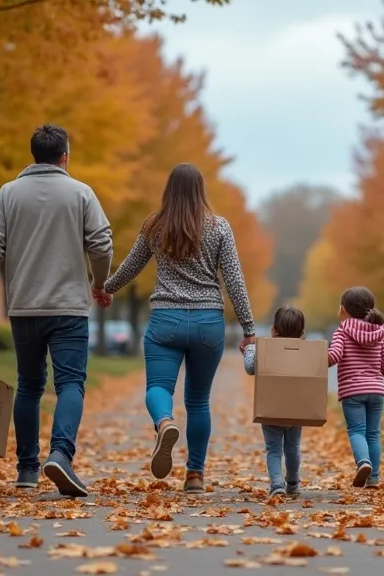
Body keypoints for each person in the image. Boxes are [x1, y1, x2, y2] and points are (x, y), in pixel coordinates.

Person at [0, 124, 113, 498]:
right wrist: (99, 282)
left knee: (30, 384)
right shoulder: (82, 193)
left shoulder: (7, 194)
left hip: (24, 307)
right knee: (69, 383)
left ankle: (27, 469)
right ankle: (61, 455)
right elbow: (101, 242)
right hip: (69, 308)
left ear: (34, 155)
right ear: (64, 156)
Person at [101, 163, 255, 494]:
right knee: (199, 400)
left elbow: (130, 268)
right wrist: (249, 328)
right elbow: (234, 280)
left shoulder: (155, 227)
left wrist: (106, 288)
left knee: (158, 387)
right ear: (201, 190)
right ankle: (195, 475)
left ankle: (164, 422)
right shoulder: (219, 228)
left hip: (165, 320)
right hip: (207, 322)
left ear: (169, 190)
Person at [327, 286, 384, 489]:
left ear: (343, 309)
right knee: (373, 433)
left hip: (352, 392)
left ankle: (363, 462)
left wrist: (317, 358)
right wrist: (374, 377)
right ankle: (374, 477)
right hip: (376, 392)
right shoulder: (379, 332)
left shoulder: (342, 331)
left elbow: (333, 357)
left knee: (357, 430)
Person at [242, 305, 306, 497]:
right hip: (296, 408)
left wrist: (250, 349)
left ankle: (277, 484)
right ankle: (293, 482)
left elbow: (250, 368)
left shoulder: (266, 349)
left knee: (273, 449)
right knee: (293, 447)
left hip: (270, 408)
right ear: (302, 332)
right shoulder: (306, 352)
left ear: (273, 329)